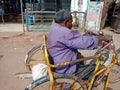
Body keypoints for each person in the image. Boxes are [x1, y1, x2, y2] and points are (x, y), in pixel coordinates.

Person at [47, 9, 112, 77]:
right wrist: (103, 38)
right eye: (71, 22)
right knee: (97, 68)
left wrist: (86, 36)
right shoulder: (64, 32)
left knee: (87, 63)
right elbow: (83, 42)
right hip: (66, 68)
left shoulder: (55, 28)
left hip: (59, 60)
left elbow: (74, 38)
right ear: (66, 22)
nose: (71, 24)